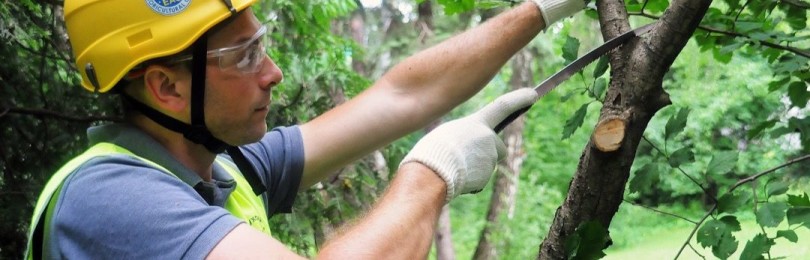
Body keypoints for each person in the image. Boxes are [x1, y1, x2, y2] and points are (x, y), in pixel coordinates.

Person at [25, 0, 584, 258]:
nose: (273, 73)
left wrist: (542, 10)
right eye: (244, 56)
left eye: (261, 44)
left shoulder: (223, 168)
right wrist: (434, 172)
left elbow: (402, 95)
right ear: (166, 88)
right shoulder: (107, 200)